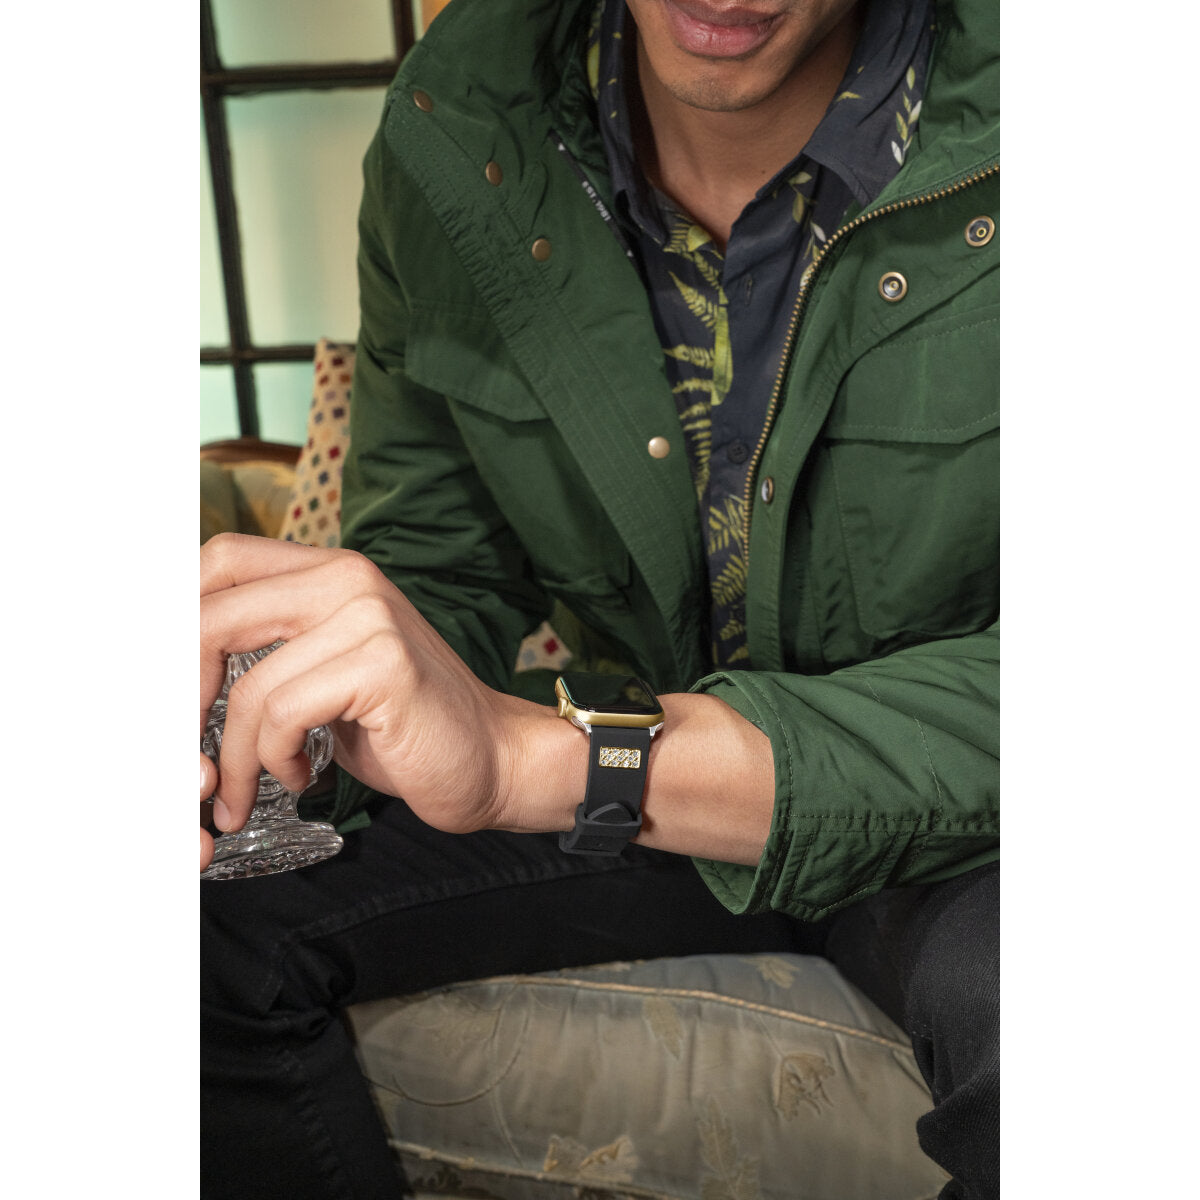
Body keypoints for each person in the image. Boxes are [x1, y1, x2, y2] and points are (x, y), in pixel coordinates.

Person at [201, 0, 998, 1196]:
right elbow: (440, 572)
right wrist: (277, 715)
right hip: (655, 810)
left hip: (966, 824)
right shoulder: (458, 114)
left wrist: (553, 761)